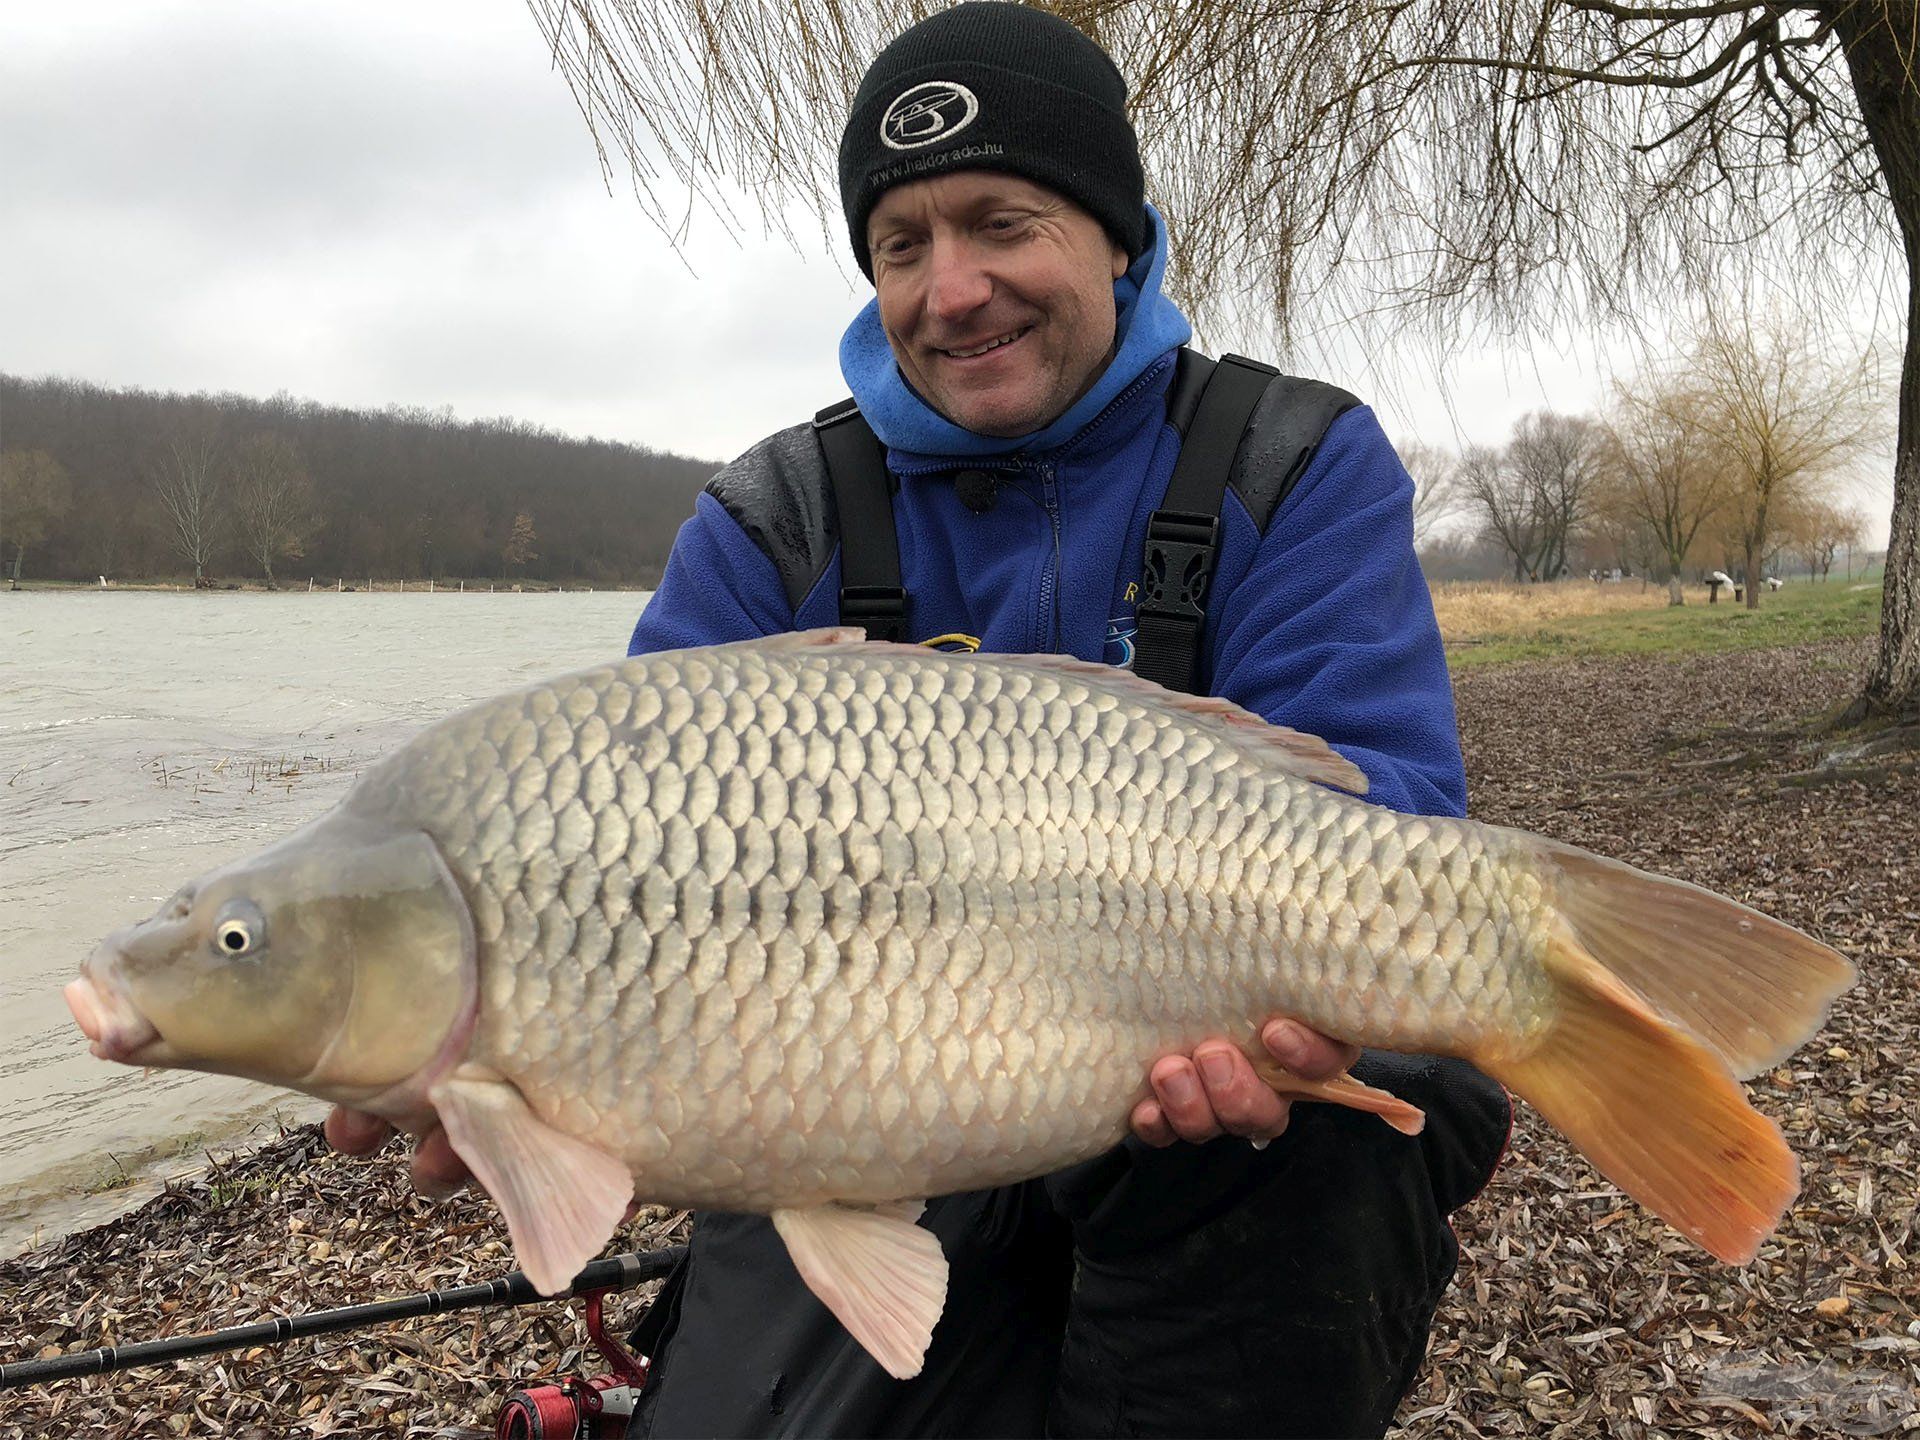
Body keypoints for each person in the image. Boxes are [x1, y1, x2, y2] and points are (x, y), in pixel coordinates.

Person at [330, 5, 1511, 1434]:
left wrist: (1266, 999)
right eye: (903, 247)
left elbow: (1393, 814)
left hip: (1207, 1114)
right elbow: (618, 872)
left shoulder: (1288, 461)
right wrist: (527, 1079)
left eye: (1002, 223)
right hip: (856, 1121)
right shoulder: (772, 520)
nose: (953, 289)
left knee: (1393, 1079)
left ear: (1118, 236)